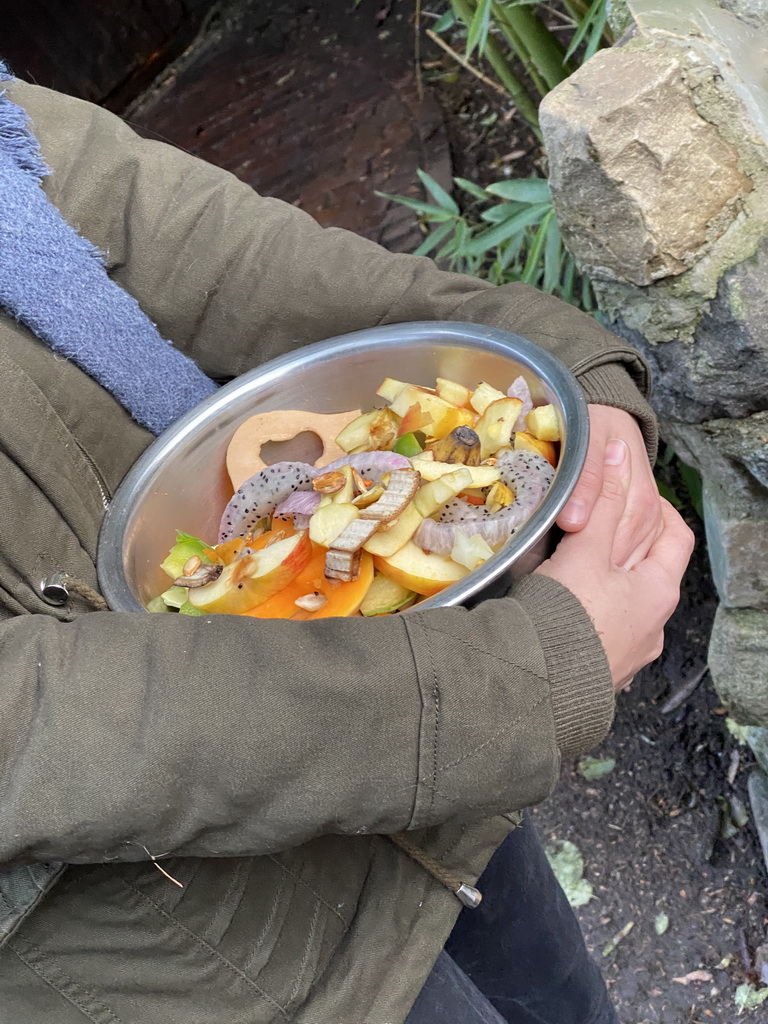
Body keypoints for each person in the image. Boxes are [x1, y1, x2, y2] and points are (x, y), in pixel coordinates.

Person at [0, 68, 693, 1024]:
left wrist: (552, 370)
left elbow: (214, 250)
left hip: (421, 755)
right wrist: (519, 679)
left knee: (566, 1001)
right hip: (191, 959)